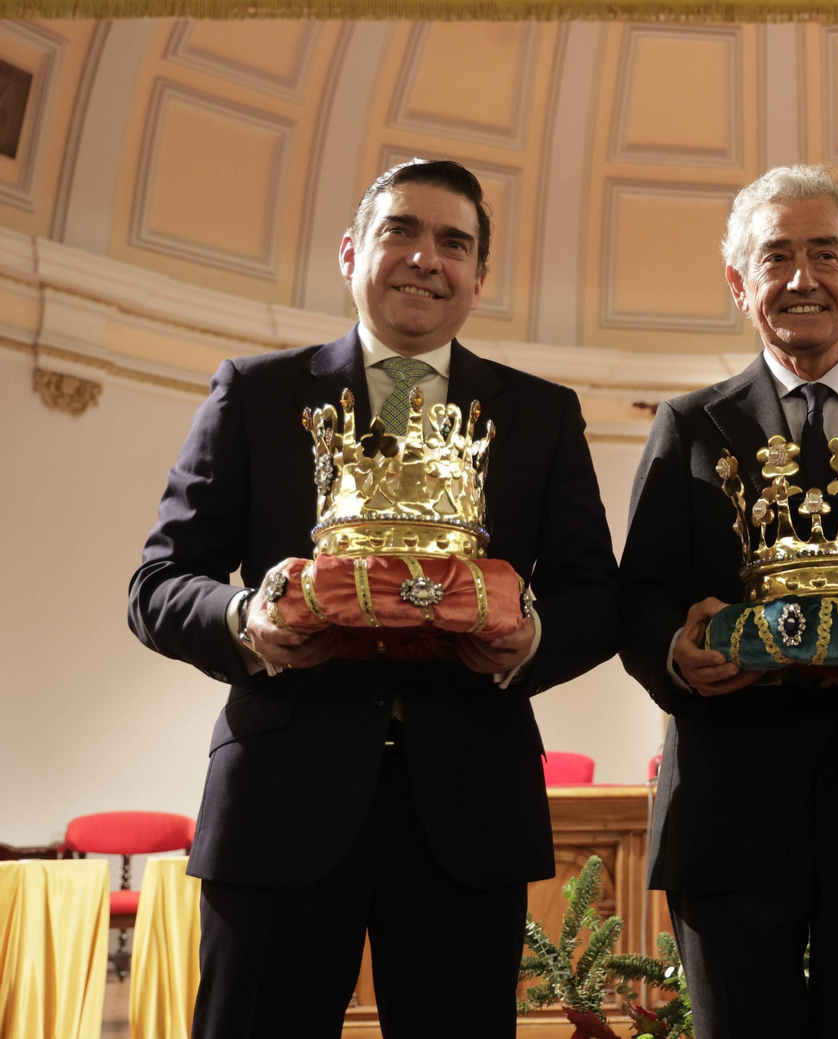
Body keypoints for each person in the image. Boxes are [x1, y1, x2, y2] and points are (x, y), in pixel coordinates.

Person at [128, 159, 621, 1039]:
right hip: (279, 801)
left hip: (468, 806)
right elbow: (159, 583)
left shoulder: (543, 414)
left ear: (479, 279)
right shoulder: (257, 393)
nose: (426, 258)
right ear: (353, 251)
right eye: (402, 231)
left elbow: (596, 595)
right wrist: (252, 618)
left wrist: (529, 635)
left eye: (454, 243)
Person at [618, 165, 838, 1037]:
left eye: (826, 253)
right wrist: (677, 652)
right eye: (776, 257)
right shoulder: (688, 425)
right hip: (727, 806)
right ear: (740, 285)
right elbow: (636, 598)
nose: (803, 277)